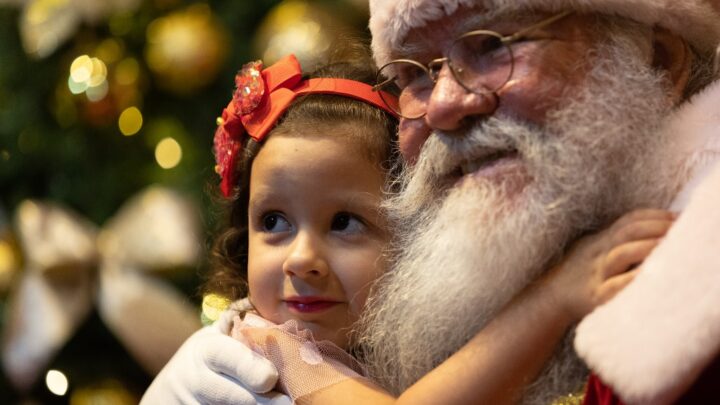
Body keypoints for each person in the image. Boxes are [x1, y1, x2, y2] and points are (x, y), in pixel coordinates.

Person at [144, 1, 720, 403]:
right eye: (416, 73)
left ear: (657, 61)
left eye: (494, 45)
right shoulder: (267, 352)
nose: (443, 105)